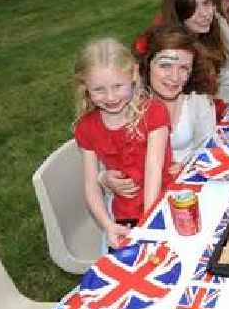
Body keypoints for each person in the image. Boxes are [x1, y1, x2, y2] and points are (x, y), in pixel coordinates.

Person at [73, 38, 173, 248]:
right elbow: (91, 185)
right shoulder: (86, 128)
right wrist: (108, 225)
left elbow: (153, 169)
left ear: (133, 75)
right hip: (124, 217)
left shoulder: (154, 112)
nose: (110, 97)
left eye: (118, 86)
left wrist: (148, 221)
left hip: (164, 206)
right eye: (99, 90)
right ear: (85, 87)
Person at [102, 26, 218, 201]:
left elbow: (210, 149)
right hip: (132, 203)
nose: (175, 77)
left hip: (186, 192)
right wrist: (105, 179)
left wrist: (189, 165)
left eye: (184, 68)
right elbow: (101, 161)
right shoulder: (125, 105)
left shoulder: (197, 102)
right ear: (147, 65)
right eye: (165, 66)